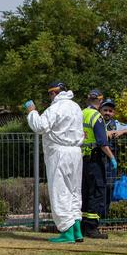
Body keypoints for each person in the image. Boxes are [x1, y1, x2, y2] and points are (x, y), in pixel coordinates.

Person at [24, 81, 84, 243]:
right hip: (76, 152)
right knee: (74, 191)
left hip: (59, 152)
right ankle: (77, 229)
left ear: (53, 93)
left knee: (60, 191)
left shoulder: (56, 108)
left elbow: (40, 126)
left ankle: (67, 231)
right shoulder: (76, 107)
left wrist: (32, 112)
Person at [80, 89, 116, 239]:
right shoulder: (96, 116)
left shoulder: (81, 113)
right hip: (95, 158)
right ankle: (92, 228)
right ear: (100, 102)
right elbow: (102, 142)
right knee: (97, 192)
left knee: (85, 192)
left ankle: (82, 226)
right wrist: (112, 158)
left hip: (82, 158)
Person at [99, 98, 127, 212]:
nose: (107, 112)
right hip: (96, 159)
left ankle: (105, 214)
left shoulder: (116, 124)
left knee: (110, 186)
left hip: (110, 161)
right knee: (97, 187)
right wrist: (105, 133)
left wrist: (122, 131)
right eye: (105, 110)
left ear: (113, 113)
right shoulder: (96, 121)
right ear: (100, 110)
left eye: (110, 111)